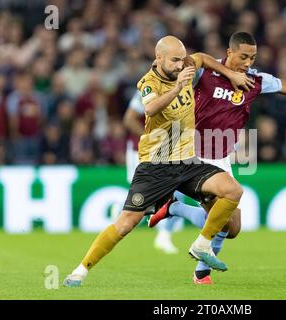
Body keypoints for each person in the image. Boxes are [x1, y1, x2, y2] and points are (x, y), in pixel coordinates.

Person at [147, 31, 286, 284]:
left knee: (232, 227)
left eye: (252, 58)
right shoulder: (205, 74)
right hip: (194, 155)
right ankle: (201, 273)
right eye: (243, 57)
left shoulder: (255, 81)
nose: (248, 63)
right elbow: (195, 57)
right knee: (222, 216)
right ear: (230, 52)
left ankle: (173, 208)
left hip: (222, 159)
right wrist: (229, 73)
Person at [63, 35, 254, 287]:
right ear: (159, 58)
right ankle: (80, 271)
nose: (180, 65)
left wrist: (230, 74)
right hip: (156, 166)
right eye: (174, 60)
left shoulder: (186, 66)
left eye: (182, 59)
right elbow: (150, 108)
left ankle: (201, 244)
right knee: (125, 225)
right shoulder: (148, 82)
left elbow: (204, 59)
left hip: (187, 162)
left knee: (232, 191)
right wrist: (176, 88)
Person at [123, 91, 184, 255]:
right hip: (141, 151)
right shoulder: (147, 90)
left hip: (167, 151)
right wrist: (152, 138)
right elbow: (129, 119)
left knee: (178, 188)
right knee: (142, 201)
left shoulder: (181, 89)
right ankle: (117, 214)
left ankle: (164, 236)